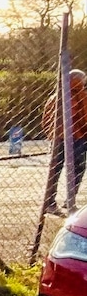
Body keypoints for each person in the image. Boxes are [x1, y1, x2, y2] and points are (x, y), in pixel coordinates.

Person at [42, 68, 87, 215]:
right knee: (77, 168)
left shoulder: (55, 96)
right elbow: (85, 116)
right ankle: (70, 200)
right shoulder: (81, 95)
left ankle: (49, 202)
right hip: (78, 137)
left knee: (55, 169)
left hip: (57, 138)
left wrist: (51, 133)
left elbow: (45, 119)